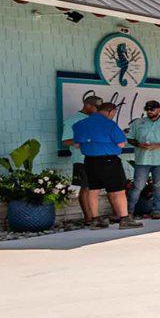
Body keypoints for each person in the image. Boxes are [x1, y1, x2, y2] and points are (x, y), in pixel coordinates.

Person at [71, 101, 141, 228]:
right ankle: (125, 219)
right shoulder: (110, 124)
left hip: (89, 160)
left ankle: (95, 220)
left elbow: (76, 144)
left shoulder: (80, 124)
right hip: (109, 161)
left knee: (93, 190)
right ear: (110, 111)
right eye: (113, 114)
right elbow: (121, 143)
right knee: (118, 191)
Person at [125, 100, 160, 219]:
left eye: (153, 108)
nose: (150, 111)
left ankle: (156, 210)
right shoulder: (138, 123)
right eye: (148, 109)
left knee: (158, 185)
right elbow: (130, 138)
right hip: (142, 160)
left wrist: (156, 146)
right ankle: (129, 212)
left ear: (159, 109)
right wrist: (139, 144)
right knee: (137, 186)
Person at [63, 94, 102, 224]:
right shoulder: (73, 121)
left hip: (96, 158)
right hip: (81, 159)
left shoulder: (96, 119)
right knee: (85, 188)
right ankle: (88, 218)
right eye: (97, 107)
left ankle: (95, 215)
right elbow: (66, 140)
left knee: (93, 188)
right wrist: (83, 142)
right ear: (88, 105)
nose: (98, 110)